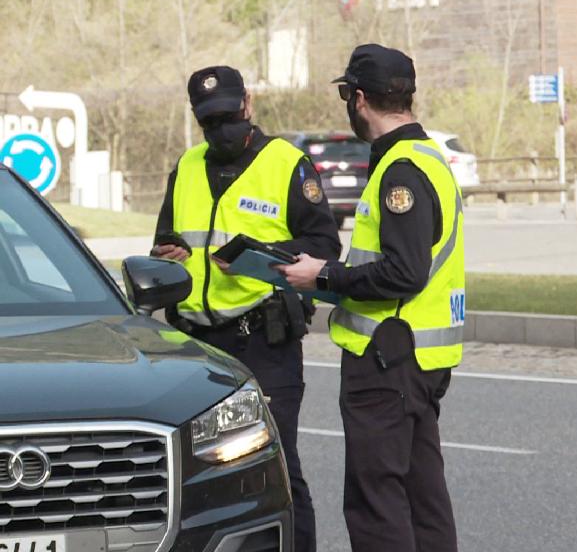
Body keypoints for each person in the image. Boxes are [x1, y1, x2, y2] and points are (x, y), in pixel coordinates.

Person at [276, 44, 463, 552]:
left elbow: (404, 271)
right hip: (418, 361)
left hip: (386, 360)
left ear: (357, 99)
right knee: (424, 500)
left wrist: (324, 277)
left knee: (375, 504)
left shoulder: (400, 170)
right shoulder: (427, 157)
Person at [151, 65, 340, 552]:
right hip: (197, 346)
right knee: (197, 476)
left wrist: (260, 257)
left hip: (262, 341)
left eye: (229, 116)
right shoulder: (187, 167)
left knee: (278, 468)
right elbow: (166, 243)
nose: (221, 129)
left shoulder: (286, 162)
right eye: (210, 122)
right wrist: (166, 256)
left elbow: (324, 246)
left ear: (248, 104)